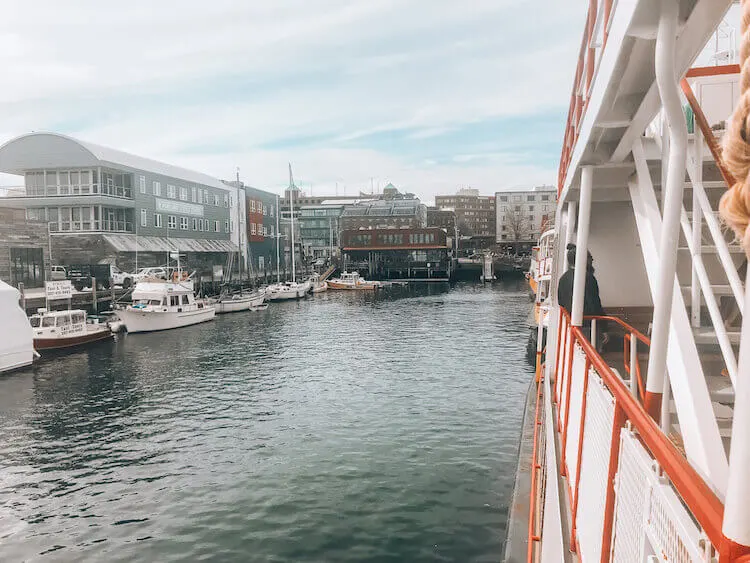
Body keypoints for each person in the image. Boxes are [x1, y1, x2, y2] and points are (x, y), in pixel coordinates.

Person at [557, 244, 609, 347]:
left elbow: (561, 302)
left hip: (572, 325)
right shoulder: (588, 277)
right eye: (590, 257)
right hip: (588, 327)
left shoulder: (563, 278)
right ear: (583, 259)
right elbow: (594, 304)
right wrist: (603, 329)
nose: (592, 260)